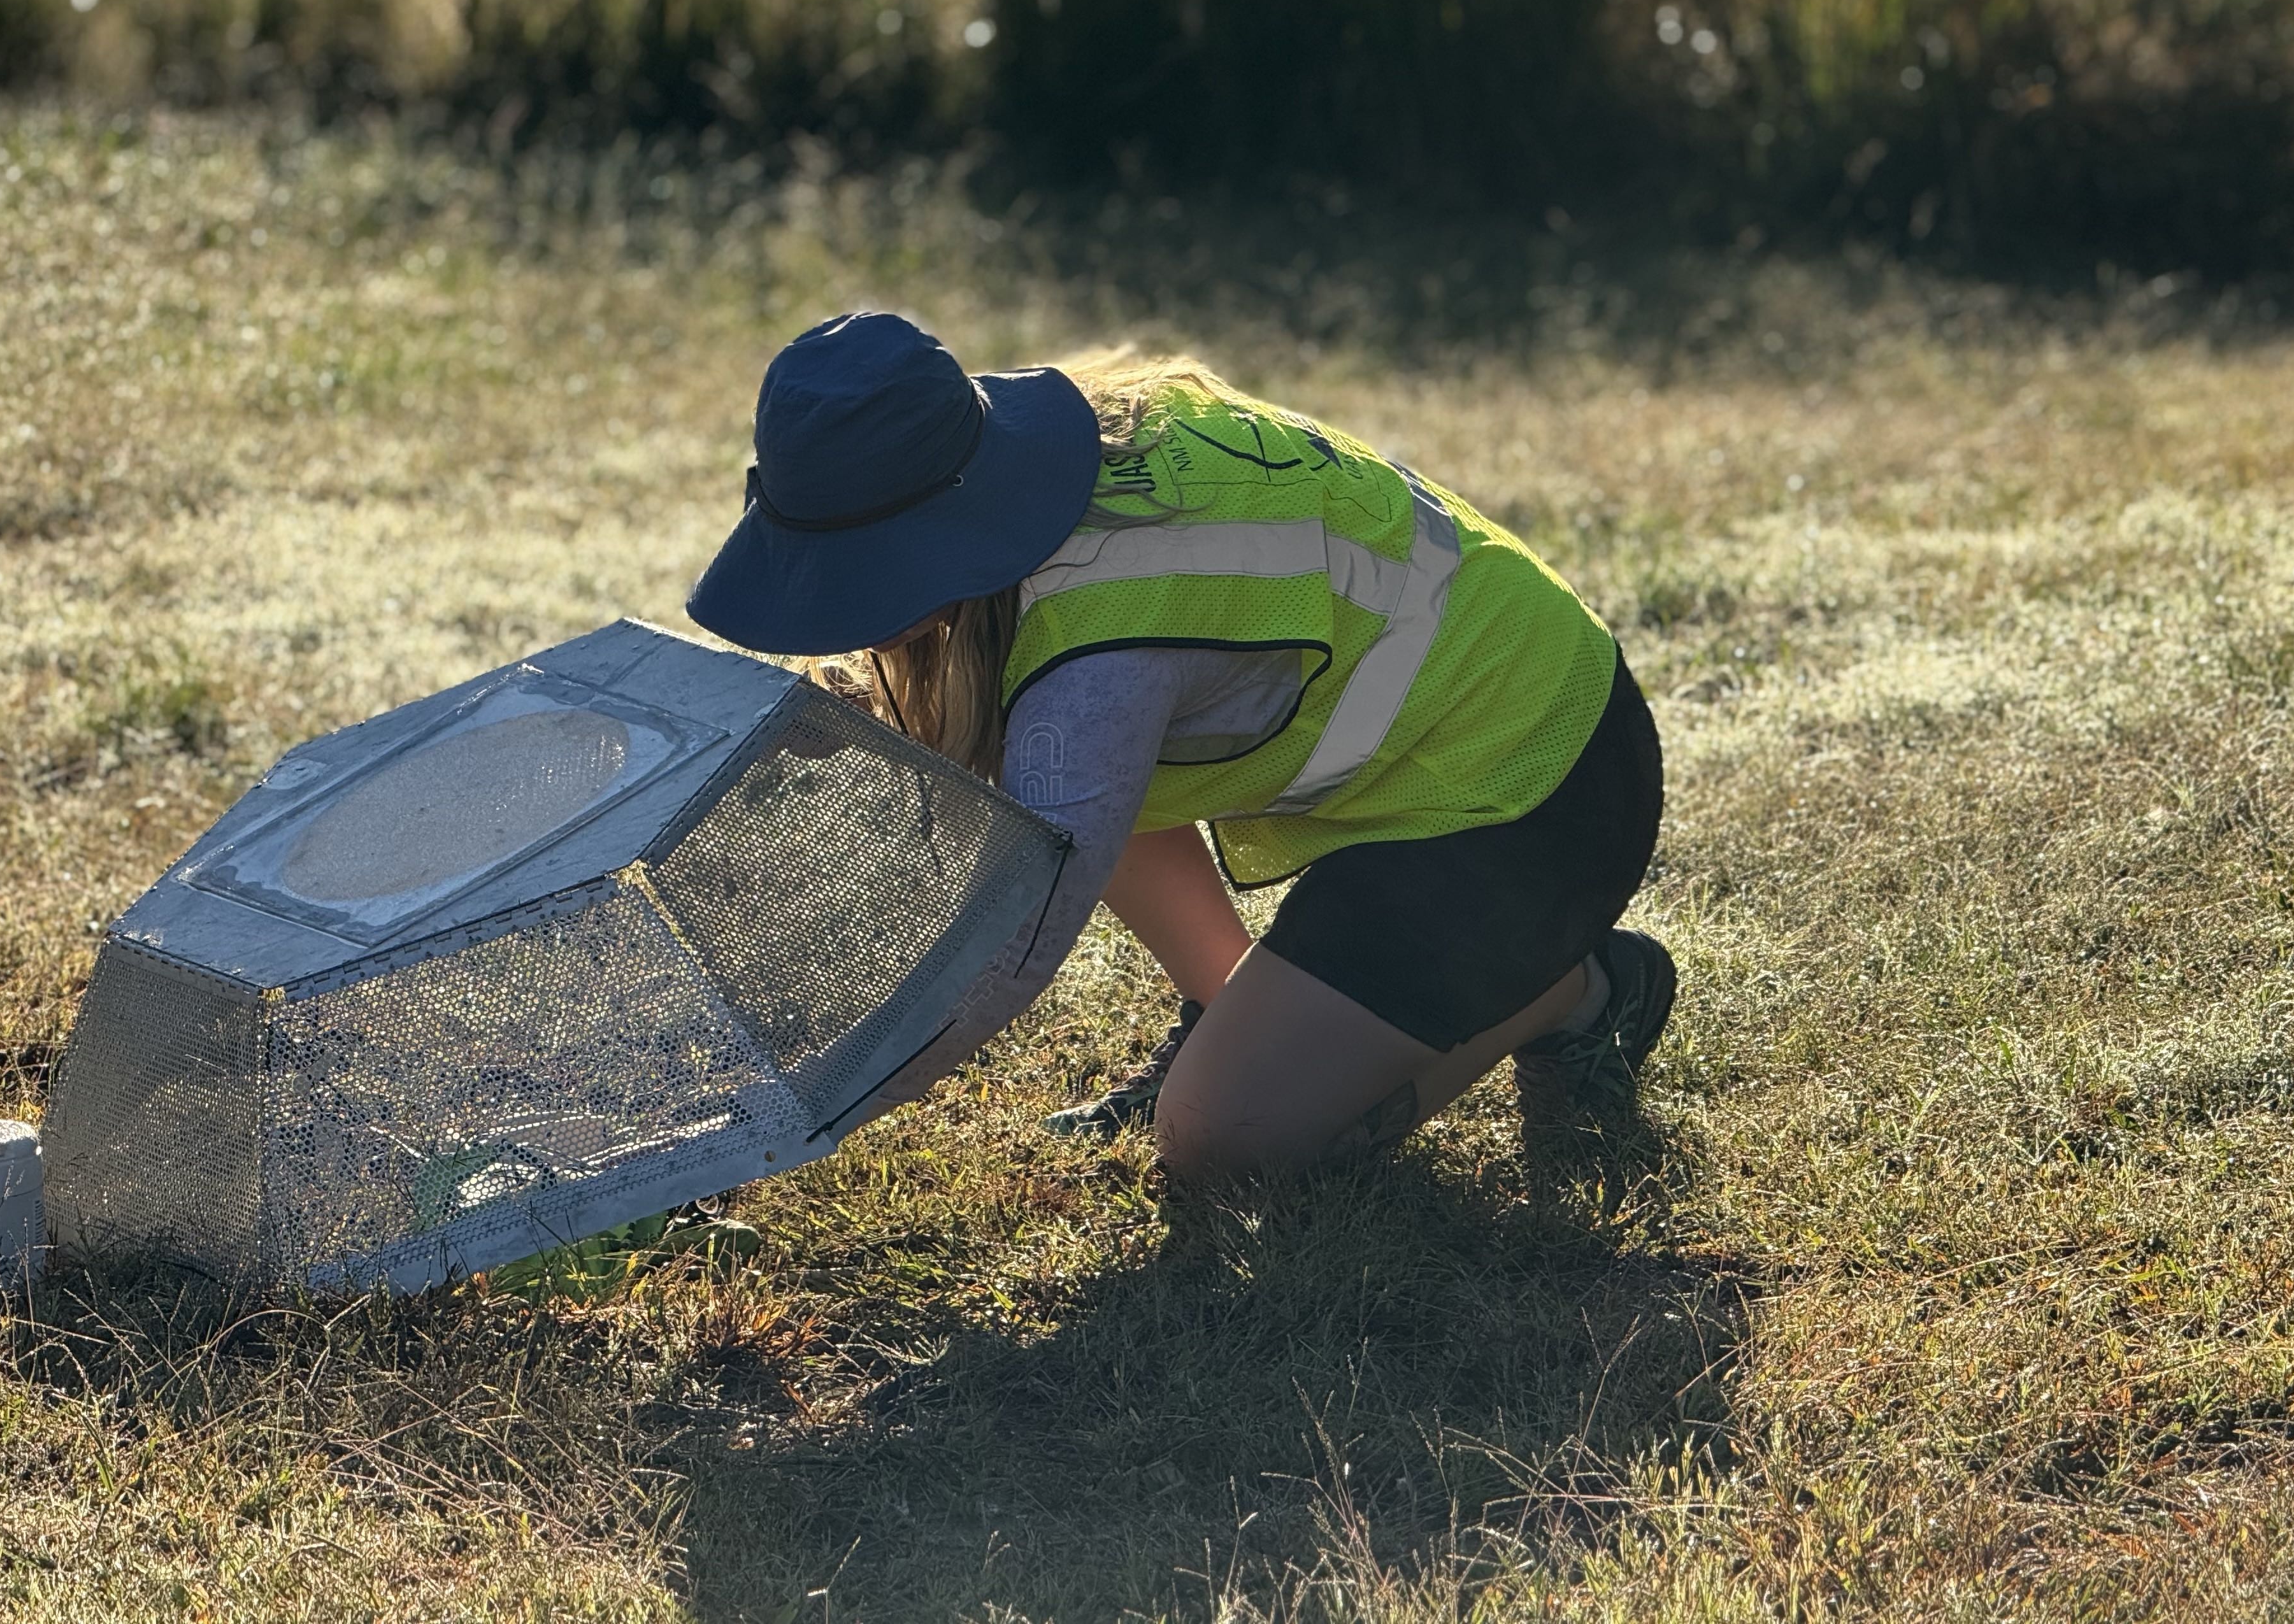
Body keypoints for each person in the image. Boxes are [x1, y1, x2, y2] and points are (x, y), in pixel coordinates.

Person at [685, 311, 1673, 1175]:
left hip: (1535, 789)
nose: (842, 606)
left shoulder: (1100, 655)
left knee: (1225, 1144)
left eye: (859, 572)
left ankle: (1566, 989)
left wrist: (783, 1117)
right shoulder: (1059, 449)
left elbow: (1009, 944)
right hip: (1488, 712)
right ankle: (1241, 1010)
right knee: (1058, 768)